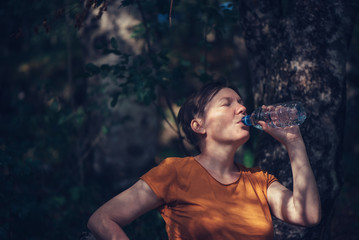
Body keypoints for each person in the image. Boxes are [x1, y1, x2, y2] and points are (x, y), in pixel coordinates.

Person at [87, 82, 321, 240]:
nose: (242, 108)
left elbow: (307, 215)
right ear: (199, 126)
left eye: (240, 102)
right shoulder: (175, 172)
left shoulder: (259, 182)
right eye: (227, 103)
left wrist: (294, 143)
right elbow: (102, 219)